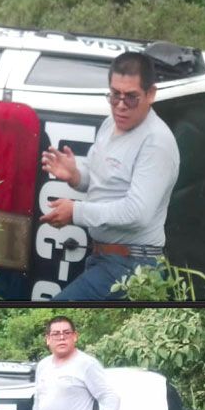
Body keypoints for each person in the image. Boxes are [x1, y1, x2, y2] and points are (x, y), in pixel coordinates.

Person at [40, 51, 180, 301]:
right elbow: (99, 182)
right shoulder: (109, 124)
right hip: (104, 257)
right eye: (115, 95)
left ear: (151, 94)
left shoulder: (156, 142)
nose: (121, 106)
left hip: (135, 264)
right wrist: (75, 175)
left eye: (131, 98)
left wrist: (76, 212)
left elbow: (137, 212)